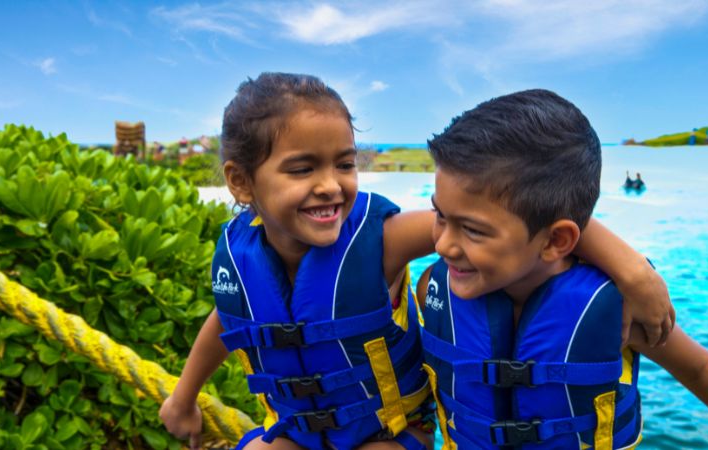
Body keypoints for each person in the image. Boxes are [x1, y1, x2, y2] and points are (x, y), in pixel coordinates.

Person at [159, 73, 675, 450]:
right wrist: (184, 397)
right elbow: (229, 326)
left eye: (344, 163)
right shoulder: (242, 260)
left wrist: (631, 270)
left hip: (389, 434)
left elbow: (511, 222)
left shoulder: (382, 241)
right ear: (242, 182)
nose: (330, 185)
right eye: (301, 169)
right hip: (297, 430)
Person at [416, 89, 708, 448]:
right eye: (439, 215)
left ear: (555, 241)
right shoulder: (433, 290)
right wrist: (633, 269)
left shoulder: (617, 311)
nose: (442, 245)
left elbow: (703, 372)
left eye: (472, 230)